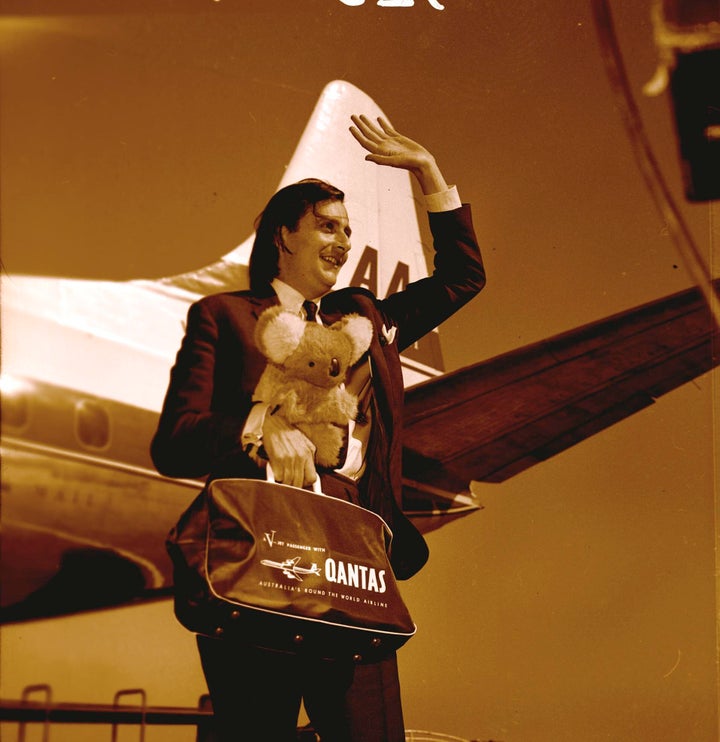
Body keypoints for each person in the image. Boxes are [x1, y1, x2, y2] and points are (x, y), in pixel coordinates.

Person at [151, 114, 486, 741]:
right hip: (258, 562)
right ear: (284, 235)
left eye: (348, 231)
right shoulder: (222, 317)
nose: (342, 242)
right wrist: (259, 425)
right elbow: (175, 439)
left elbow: (464, 279)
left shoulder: (363, 319)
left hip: (352, 562)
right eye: (327, 227)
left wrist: (427, 172)